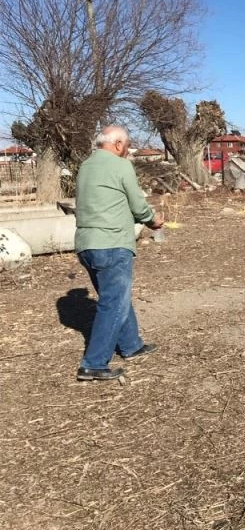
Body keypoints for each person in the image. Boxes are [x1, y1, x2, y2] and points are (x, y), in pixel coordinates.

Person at [74, 125, 163, 381]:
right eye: (126, 144)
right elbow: (138, 204)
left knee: (115, 297)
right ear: (117, 144)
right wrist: (152, 220)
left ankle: (131, 345)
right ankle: (94, 363)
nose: (127, 149)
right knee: (113, 303)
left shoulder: (86, 166)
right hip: (112, 242)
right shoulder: (120, 166)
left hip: (86, 244)